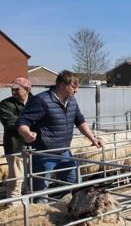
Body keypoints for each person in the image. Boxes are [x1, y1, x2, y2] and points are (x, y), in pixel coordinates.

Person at [17, 70, 102, 202]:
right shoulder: (41, 100)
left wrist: (93, 138)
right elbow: (23, 121)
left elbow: (80, 121)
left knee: (74, 184)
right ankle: (38, 218)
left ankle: (70, 211)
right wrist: (26, 132)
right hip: (44, 154)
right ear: (62, 85)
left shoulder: (72, 101)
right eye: (74, 87)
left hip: (64, 152)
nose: (76, 90)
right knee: (40, 191)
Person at [0, 77, 33, 200]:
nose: (13, 92)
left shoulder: (36, 101)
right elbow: (10, 122)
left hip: (35, 146)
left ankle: (31, 204)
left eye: (16, 89)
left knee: (33, 177)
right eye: (12, 89)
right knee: (16, 179)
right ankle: (14, 205)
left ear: (28, 89)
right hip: (15, 146)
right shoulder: (5, 104)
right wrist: (30, 124)